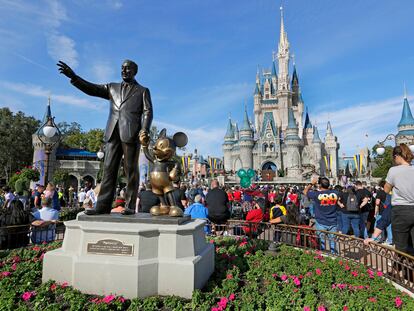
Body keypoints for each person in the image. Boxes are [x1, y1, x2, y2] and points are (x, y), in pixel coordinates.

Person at [58, 59, 153, 215]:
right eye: (122, 68)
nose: (124, 71)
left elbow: (148, 111)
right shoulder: (112, 87)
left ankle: (129, 206)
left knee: (130, 170)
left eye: (128, 69)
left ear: (135, 71)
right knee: (108, 169)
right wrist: (74, 77)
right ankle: (102, 206)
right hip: (112, 132)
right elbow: (92, 89)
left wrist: (145, 130)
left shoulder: (142, 91)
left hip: (130, 133)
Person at [384, 144, 414, 255]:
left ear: (397, 156)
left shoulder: (393, 171)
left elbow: (386, 189)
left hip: (401, 210)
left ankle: (400, 269)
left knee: (401, 246)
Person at [304, 177, 339, 253]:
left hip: (321, 222)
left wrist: (311, 183)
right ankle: (334, 258)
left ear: (320, 185)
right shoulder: (336, 193)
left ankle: (322, 257)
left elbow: (305, 191)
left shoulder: (316, 194)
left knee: (321, 243)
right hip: (333, 221)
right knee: (333, 243)